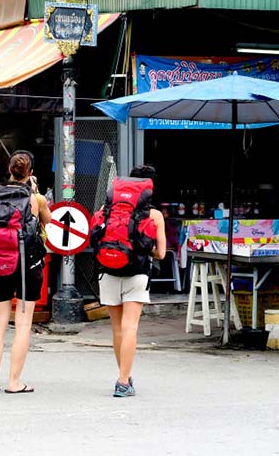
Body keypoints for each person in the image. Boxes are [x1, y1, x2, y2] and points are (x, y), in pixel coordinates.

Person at [0, 151, 51, 394]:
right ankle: (14, 382)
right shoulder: (36, 199)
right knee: (22, 325)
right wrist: (35, 192)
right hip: (27, 266)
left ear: (9, 170)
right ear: (30, 173)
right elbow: (48, 222)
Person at [98, 165, 165, 398]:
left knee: (117, 328)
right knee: (130, 328)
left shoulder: (108, 208)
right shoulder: (154, 215)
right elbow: (162, 254)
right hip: (137, 274)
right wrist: (144, 247)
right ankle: (123, 381)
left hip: (108, 270)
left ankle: (123, 376)